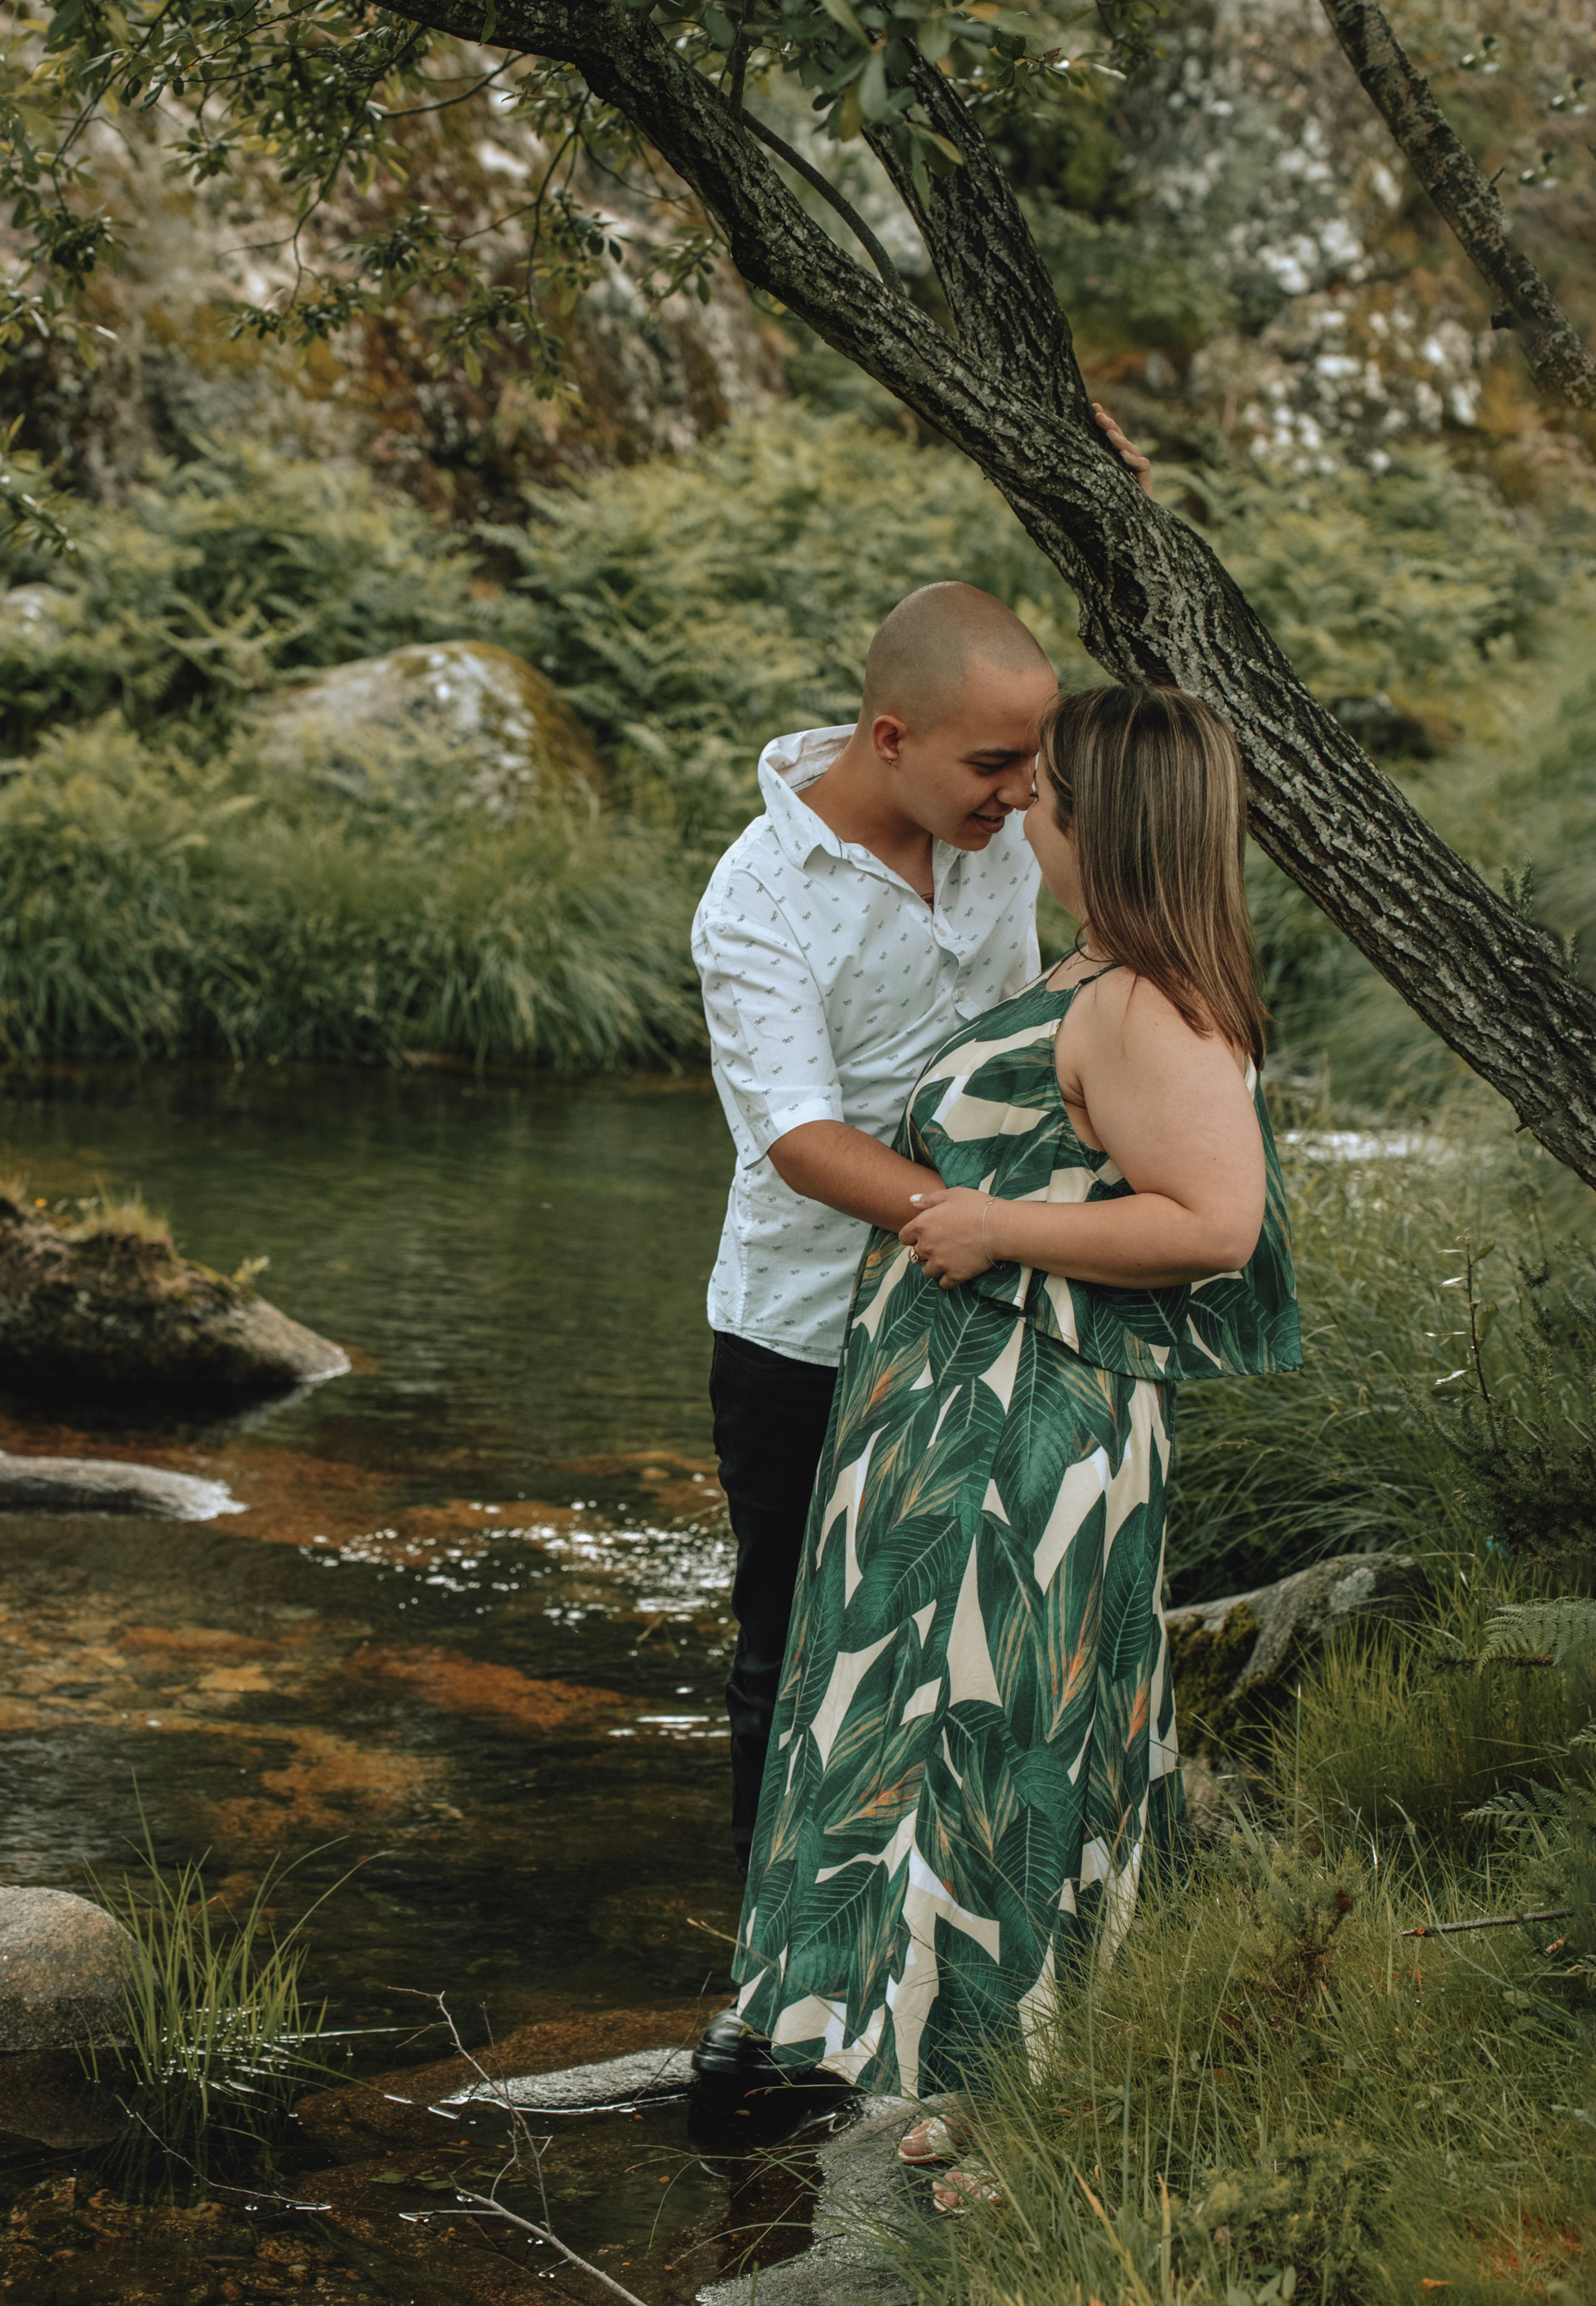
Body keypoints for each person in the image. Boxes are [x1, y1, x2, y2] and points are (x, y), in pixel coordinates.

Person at [723, 682, 1301, 2134]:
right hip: (957, 1415)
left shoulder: (1142, 1005)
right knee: (921, 1721)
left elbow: (1214, 1223)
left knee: (983, 1734)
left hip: (1019, 1431)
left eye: (1041, 796)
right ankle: (886, 2052)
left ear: (1101, 826)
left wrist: (987, 1227)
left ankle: (979, 2079)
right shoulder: (1094, 972)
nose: (1016, 814)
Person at [691, 409, 1152, 2098]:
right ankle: (767, 1996)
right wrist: (954, 1220)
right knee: (792, 1645)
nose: (1028, 800)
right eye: (994, 772)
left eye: (1033, 768)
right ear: (889, 738)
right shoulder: (758, 900)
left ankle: (938, 1948)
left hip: (982, 1303)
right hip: (810, 1327)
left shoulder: (984, 824)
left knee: (951, 1631)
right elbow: (794, 1140)